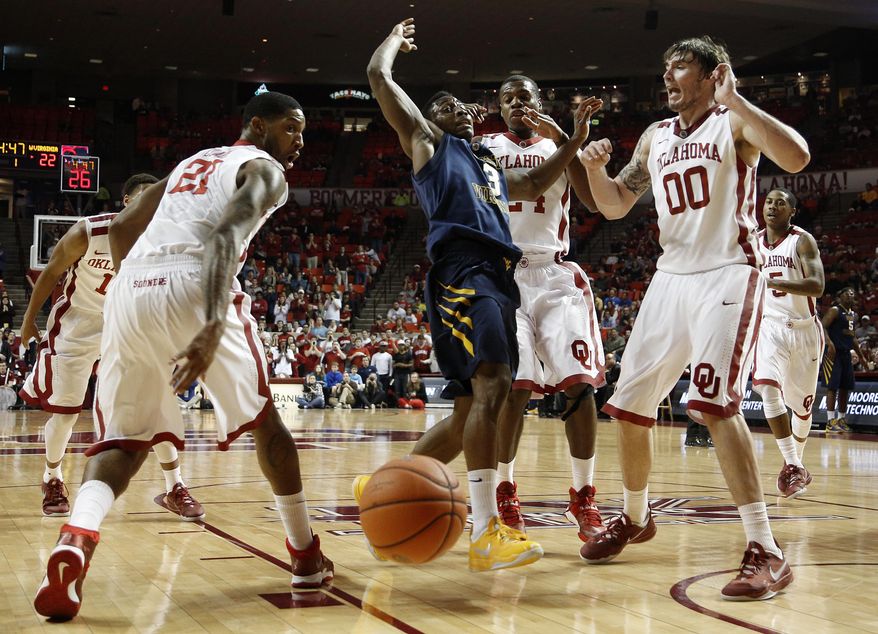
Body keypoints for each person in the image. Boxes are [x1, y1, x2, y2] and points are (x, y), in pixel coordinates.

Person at [34, 91, 333, 621]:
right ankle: (305, 555)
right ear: (258, 127)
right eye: (293, 128)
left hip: (130, 290)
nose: (300, 141)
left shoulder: (190, 163)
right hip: (198, 280)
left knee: (124, 440)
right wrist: (212, 320)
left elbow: (124, 229)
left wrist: (144, 289)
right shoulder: (265, 170)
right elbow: (223, 237)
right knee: (267, 424)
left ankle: (77, 536)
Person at [357, 18, 597, 573]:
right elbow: (377, 76)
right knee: (495, 385)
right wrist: (393, 42)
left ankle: (381, 486)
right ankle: (489, 530)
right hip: (465, 270)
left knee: (470, 412)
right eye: (447, 106)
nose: (460, 111)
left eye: (464, 107)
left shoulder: (486, 162)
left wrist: (574, 143)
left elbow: (536, 185)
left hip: (496, 273)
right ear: (430, 119)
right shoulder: (430, 144)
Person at [579, 36, 809, 600]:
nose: (668, 75)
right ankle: (635, 517)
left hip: (728, 272)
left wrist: (741, 102)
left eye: (680, 65)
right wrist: (592, 170)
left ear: (714, 75)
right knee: (629, 408)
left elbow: (798, 157)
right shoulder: (655, 137)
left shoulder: (733, 124)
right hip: (671, 278)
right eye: (665, 66)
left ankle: (767, 549)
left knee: (711, 405)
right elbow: (613, 204)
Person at [19, 174, 204, 520]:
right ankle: (53, 477)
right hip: (79, 323)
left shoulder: (164, 241)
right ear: (127, 202)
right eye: (142, 199)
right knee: (66, 413)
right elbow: (51, 272)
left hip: (129, 325)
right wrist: (29, 319)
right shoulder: (88, 232)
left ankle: (174, 486)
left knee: (156, 403)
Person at [478, 74, 607, 542]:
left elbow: (590, 202)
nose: (517, 103)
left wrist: (566, 143)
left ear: (538, 102)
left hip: (555, 274)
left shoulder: (558, 143)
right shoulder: (485, 146)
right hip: (504, 274)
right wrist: (569, 140)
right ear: (499, 106)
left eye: (525, 96)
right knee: (516, 387)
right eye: (507, 97)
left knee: (579, 384)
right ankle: (506, 490)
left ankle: (584, 496)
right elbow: (525, 187)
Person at [753, 189, 825, 496]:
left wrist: (772, 281)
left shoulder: (802, 241)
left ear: (792, 211)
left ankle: (799, 463)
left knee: (802, 408)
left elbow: (818, 285)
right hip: (770, 327)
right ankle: (793, 464)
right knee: (767, 387)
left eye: (780, 203)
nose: (772, 206)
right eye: (769, 201)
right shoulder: (753, 243)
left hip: (805, 330)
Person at [822, 287, 865, 432]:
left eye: (852, 293)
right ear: (840, 296)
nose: (850, 295)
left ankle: (841, 420)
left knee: (845, 388)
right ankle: (829, 421)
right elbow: (822, 327)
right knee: (832, 387)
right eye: (847, 293)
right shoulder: (835, 310)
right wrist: (829, 343)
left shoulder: (854, 315)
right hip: (832, 354)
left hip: (846, 354)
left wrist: (862, 357)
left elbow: (852, 338)